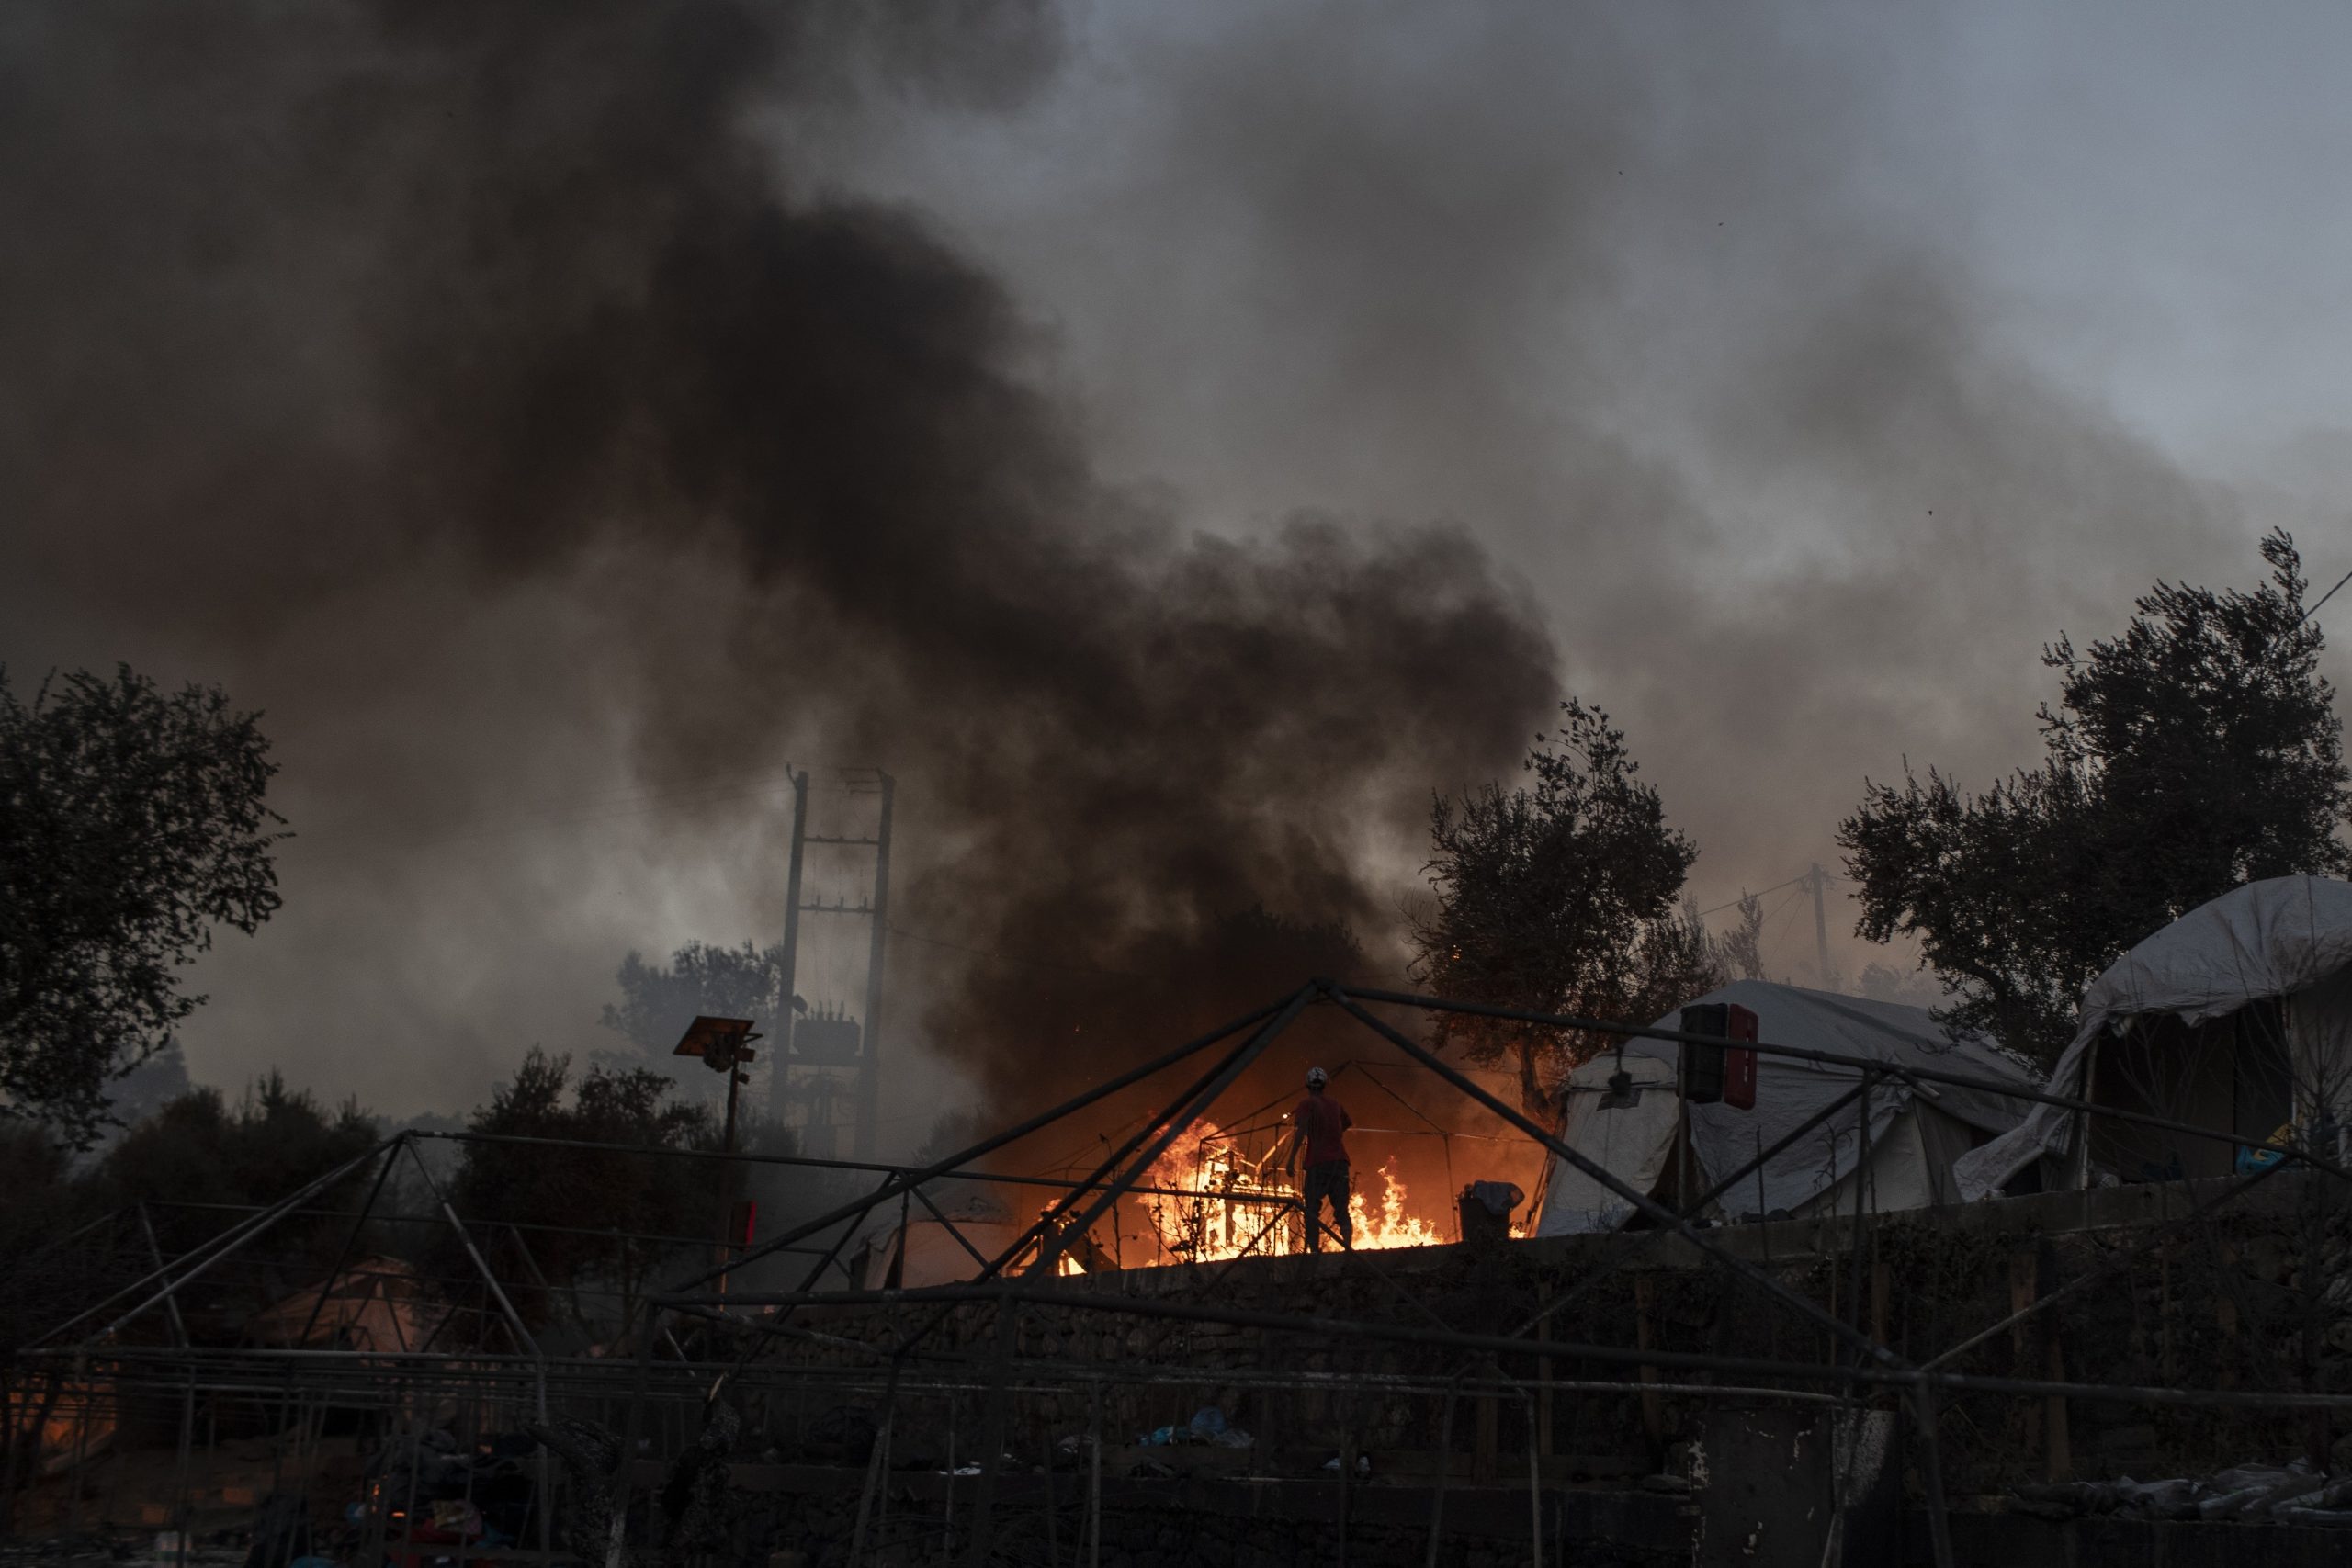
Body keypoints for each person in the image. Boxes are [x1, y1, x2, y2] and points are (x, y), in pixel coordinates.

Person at [1283, 1066, 1353, 1251]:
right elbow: (1347, 1123)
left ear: (1307, 1085)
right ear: (1324, 1085)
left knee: (1311, 1209)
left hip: (1318, 1163)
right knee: (1341, 1209)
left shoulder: (1307, 1104)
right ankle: (1349, 1251)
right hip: (1340, 1163)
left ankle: (1313, 1252)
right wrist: (1334, 1134)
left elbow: (1301, 1131)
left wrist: (1290, 1160)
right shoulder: (1335, 1104)